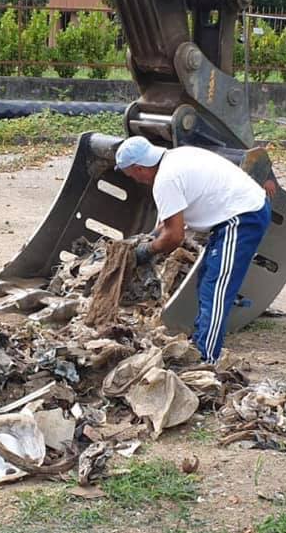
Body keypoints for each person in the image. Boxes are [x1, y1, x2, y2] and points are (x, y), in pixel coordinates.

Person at [115, 136, 271, 363]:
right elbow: (167, 224)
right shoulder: (176, 157)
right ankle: (201, 344)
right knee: (206, 280)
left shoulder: (165, 180)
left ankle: (206, 360)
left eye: (131, 174)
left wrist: (146, 251)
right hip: (236, 212)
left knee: (215, 289)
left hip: (241, 219)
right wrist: (150, 238)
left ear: (139, 168)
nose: (135, 180)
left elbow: (174, 236)